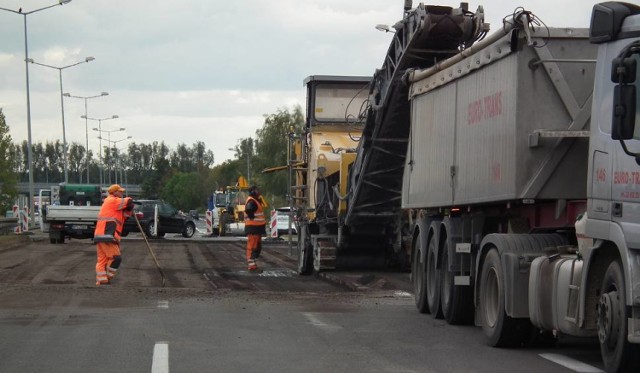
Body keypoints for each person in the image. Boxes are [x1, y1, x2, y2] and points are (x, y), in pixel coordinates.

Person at [93, 184, 134, 286]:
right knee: (116, 258)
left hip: (101, 235)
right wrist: (130, 203)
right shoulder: (111, 200)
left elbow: (125, 216)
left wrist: (128, 209)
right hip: (107, 234)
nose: (122, 193)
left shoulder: (115, 206)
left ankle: (102, 281)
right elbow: (128, 201)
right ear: (114, 192)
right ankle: (107, 278)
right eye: (120, 191)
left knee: (102, 260)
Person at [244, 185, 267, 273]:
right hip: (253, 227)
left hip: (256, 228)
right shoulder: (251, 201)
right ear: (253, 191)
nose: (259, 191)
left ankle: (253, 264)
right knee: (252, 247)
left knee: (256, 247)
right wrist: (251, 217)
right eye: (257, 190)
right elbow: (249, 210)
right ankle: (252, 266)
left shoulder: (255, 200)